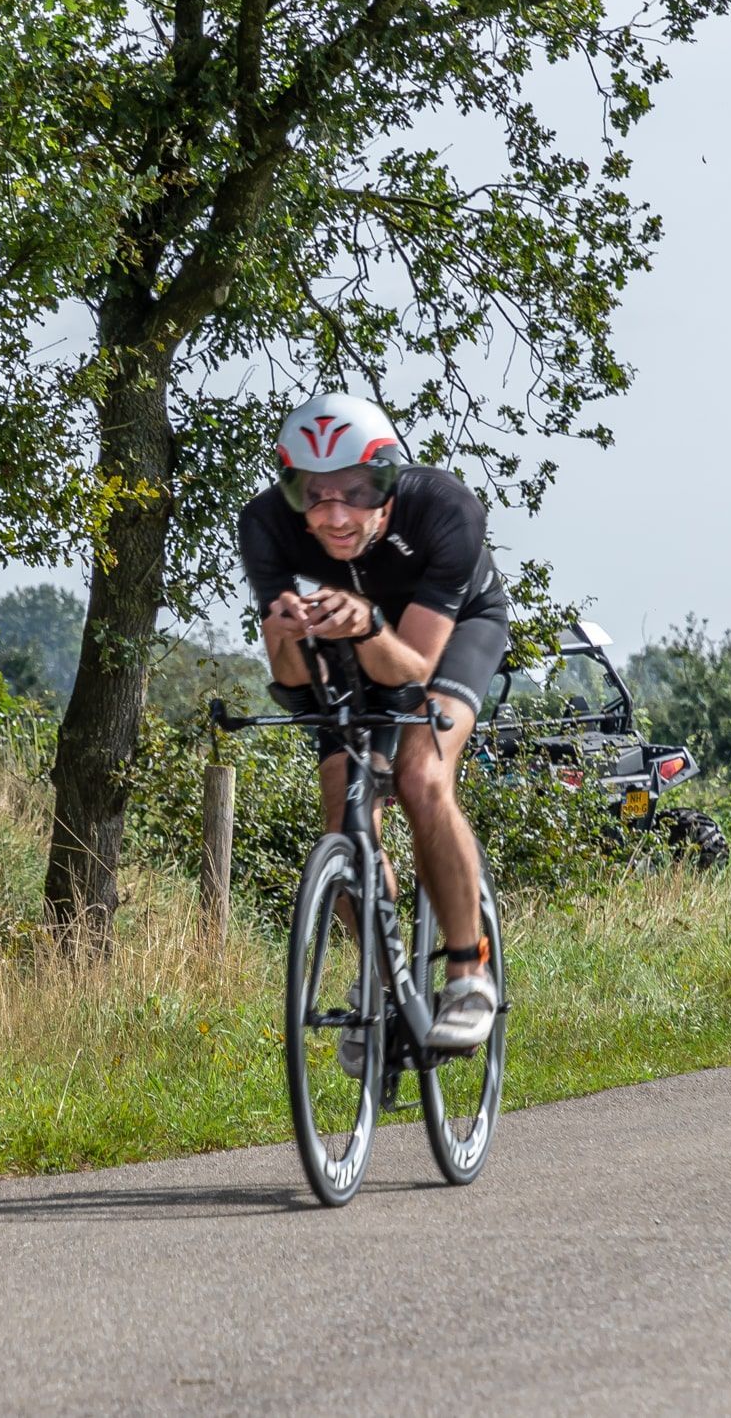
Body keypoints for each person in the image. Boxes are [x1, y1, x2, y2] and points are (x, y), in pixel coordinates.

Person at [239, 391, 509, 1050]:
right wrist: (286, 636)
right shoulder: (265, 525)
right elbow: (294, 679)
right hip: (346, 628)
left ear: (386, 485)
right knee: (345, 813)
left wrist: (365, 621)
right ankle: (382, 983)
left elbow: (412, 666)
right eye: (313, 494)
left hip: (447, 632)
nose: (333, 515)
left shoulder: (445, 511)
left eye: (355, 492)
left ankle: (467, 972)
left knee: (420, 777)